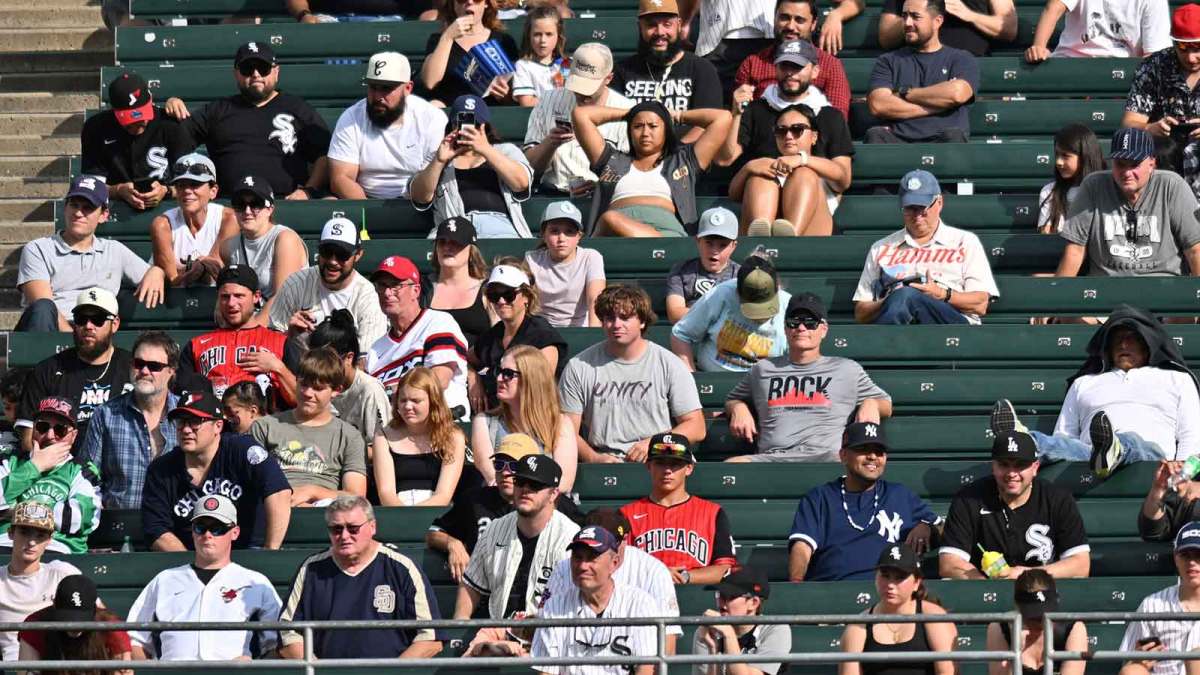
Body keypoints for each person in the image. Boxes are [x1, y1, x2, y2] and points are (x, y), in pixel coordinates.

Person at [993, 306, 1199, 479]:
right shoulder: (1083, 383)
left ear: (1148, 344)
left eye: (1131, 338)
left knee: (1131, 440)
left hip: (1151, 459)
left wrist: (1181, 476)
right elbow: (1064, 436)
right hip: (1090, 457)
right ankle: (1023, 439)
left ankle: (1115, 448)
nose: (1123, 344)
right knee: (1068, 446)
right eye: (1117, 340)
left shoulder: (1177, 379)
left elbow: (1192, 435)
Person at [726, 293, 892, 462]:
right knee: (730, 466)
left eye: (810, 322)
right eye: (794, 322)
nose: (801, 328)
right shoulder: (762, 369)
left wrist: (871, 403)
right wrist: (738, 407)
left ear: (823, 330)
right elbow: (732, 399)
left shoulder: (847, 369)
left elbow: (886, 404)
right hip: (772, 458)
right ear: (785, 328)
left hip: (828, 459)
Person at [278, 496, 445, 659]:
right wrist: (318, 671)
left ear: (372, 527)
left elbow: (429, 638)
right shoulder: (311, 569)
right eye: (336, 529)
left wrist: (392, 673)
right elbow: (288, 633)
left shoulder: (402, 567)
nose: (344, 536)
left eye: (353, 528)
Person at [163, 42, 332, 199]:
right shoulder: (218, 109)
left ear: (276, 71)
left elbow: (324, 155)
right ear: (236, 73)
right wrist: (171, 107)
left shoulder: (298, 109)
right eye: (247, 69)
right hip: (228, 207)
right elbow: (180, 133)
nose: (256, 74)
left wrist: (307, 191)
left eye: (263, 68)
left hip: (285, 203)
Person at [560, 285, 706, 463]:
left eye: (625, 318)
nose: (616, 325)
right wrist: (594, 458)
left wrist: (654, 444)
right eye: (609, 318)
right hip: (606, 459)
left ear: (642, 321)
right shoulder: (579, 367)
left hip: (660, 457)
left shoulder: (669, 364)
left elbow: (696, 427)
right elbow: (566, 430)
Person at [126, 495, 282, 661]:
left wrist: (252, 668)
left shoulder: (255, 582)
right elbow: (135, 639)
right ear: (193, 532)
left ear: (234, 532)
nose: (208, 535)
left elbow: (278, 643)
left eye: (217, 528)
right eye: (200, 528)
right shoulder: (165, 579)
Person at [141, 383, 292, 551]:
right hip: (190, 560)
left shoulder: (242, 450)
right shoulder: (161, 470)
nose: (186, 429)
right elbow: (157, 530)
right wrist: (193, 568)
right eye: (181, 422)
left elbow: (278, 492)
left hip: (248, 555)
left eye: (195, 422)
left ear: (218, 426)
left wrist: (270, 551)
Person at [787, 422, 940, 581]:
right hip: (832, 591)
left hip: (888, 592)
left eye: (879, 451)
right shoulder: (819, 498)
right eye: (863, 449)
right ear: (843, 455)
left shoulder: (900, 495)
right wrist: (797, 586)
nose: (872, 456)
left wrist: (928, 527)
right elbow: (802, 548)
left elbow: (944, 529)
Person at [16, 176, 165, 333]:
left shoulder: (114, 250)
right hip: (53, 330)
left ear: (103, 215)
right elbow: (40, 302)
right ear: (65, 208)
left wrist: (157, 271)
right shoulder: (38, 249)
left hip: (95, 330)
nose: (79, 213)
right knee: (43, 307)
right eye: (74, 205)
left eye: (88, 207)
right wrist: (73, 339)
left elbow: (155, 276)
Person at [427, 433, 583, 582]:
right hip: (483, 588)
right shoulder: (475, 500)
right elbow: (433, 533)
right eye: (499, 464)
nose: (505, 472)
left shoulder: (552, 502)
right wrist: (453, 544)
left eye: (514, 465)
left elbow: (586, 536)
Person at [938, 430, 1092, 580]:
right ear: (993, 466)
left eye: (1020, 465)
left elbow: (1080, 565)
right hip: (985, 593)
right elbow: (949, 564)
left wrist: (1025, 577)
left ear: (1035, 467)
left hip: (1043, 593)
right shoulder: (969, 499)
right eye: (1004, 464)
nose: (1012, 473)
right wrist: (989, 588)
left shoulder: (1057, 499)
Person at [852, 170, 1000, 325]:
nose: (917, 215)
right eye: (910, 208)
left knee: (907, 296)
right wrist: (889, 300)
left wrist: (942, 294)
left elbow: (981, 304)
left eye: (922, 207)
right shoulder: (881, 248)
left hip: (951, 324)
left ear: (939, 203)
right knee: (904, 296)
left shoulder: (964, 241)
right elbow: (861, 313)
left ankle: (886, 345)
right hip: (898, 314)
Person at [1055, 127, 1200, 278]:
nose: (1126, 173)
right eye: (1120, 164)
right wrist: (1057, 292)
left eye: (1134, 164)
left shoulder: (1172, 185)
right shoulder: (1093, 185)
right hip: (1105, 289)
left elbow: (1195, 249)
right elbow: (1075, 250)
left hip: (1162, 288)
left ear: (1151, 163)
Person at [576, 100, 731, 238]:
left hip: (666, 232)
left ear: (666, 130)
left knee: (609, 218)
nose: (645, 133)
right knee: (610, 219)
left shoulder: (682, 161)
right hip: (613, 233)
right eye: (637, 126)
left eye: (653, 126)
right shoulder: (612, 161)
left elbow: (723, 118)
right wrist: (629, 113)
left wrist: (678, 115)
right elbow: (580, 115)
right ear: (629, 131)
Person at [455, 454, 579, 619]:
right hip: (498, 632)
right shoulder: (494, 529)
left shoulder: (569, 536)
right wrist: (459, 624)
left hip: (549, 633)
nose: (525, 490)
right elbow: (471, 585)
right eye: (520, 482)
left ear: (554, 494)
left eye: (535, 485)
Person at [544, 508, 681, 654]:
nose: (608, 549)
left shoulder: (653, 571)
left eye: (613, 542)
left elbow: (667, 647)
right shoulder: (565, 568)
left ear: (625, 540)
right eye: (594, 546)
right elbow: (544, 630)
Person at [529, 524, 659, 675]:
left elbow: (646, 669)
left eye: (592, 557)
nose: (583, 566)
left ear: (614, 563)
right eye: (577, 557)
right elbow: (547, 672)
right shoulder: (554, 607)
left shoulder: (639, 604)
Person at [16, 288, 134, 448]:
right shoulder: (47, 370)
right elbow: (28, 438)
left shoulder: (134, 368)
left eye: (98, 319)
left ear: (115, 324)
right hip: (60, 466)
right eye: (81, 319)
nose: (88, 326)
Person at [250, 348, 368, 506]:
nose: (307, 393)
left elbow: (356, 497)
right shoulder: (264, 426)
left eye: (318, 388)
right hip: (273, 505)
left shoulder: (349, 436)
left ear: (336, 390)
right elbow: (250, 482)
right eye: (303, 384)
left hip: (324, 513)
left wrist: (311, 492)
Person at [411, 95, 535, 239]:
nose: (468, 129)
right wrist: (439, 161)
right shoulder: (438, 155)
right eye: (461, 122)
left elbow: (521, 183)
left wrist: (485, 149)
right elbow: (420, 197)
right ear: (452, 124)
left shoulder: (505, 150)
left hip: (498, 225)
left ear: (485, 126)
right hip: (453, 226)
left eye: (475, 123)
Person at [176, 264, 299, 410]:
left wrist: (278, 368)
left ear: (256, 297)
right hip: (215, 426)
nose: (231, 303)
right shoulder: (196, 345)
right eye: (225, 297)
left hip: (264, 426)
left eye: (239, 296)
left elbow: (299, 400)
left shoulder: (280, 342)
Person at [81, 330, 179, 510]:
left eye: (154, 366)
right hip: (117, 525)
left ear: (171, 371)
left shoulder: (185, 416)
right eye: (138, 363)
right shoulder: (106, 414)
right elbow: (87, 475)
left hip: (173, 526)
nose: (144, 371)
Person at [621, 433, 738, 585]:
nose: (667, 470)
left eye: (675, 463)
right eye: (660, 463)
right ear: (648, 466)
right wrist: (658, 574)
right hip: (644, 598)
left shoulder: (712, 513)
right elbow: (617, 567)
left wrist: (685, 576)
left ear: (689, 468)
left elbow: (725, 569)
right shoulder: (627, 514)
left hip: (695, 597)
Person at [329, 52, 447, 200]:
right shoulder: (352, 117)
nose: (378, 96)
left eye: (386, 88)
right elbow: (341, 178)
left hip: (419, 201)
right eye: (373, 87)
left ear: (408, 88)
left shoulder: (431, 118)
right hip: (364, 200)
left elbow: (430, 180)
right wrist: (369, 215)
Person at [522, 42, 636, 197]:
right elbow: (528, 169)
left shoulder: (627, 109)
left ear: (608, 78)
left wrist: (600, 186)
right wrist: (550, 143)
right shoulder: (549, 99)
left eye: (589, 86)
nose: (581, 93)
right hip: (551, 194)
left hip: (603, 198)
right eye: (578, 84)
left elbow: (634, 175)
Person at [367, 256, 471, 418]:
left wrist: (390, 391)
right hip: (396, 432)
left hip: (442, 424)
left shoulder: (438, 323)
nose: (387, 293)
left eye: (396, 285)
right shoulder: (375, 349)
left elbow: (439, 380)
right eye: (382, 285)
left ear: (416, 290)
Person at [727, 100, 851, 237]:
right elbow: (733, 195)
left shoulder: (821, 167)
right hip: (765, 238)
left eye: (797, 129)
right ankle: (761, 238)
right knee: (760, 177)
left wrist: (802, 159)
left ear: (814, 137)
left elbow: (842, 178)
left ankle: (789, 238)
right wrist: (748, 168)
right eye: (781, 130)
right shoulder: (768, 166)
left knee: (803, 173)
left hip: (813, 238)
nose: (788, 136)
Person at [867, 0, 980, 143]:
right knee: (875, 134)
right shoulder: (888, 61)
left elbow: (957, 94)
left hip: (943, 139)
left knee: (954, 136)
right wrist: (939, 105)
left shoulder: (961, 58)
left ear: (937, 21)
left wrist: (904, 93)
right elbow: (879, 105)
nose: (907, 23)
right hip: (898, 141)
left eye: (915, 16)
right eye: (904, 15)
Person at [268, 216, 387, 350]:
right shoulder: (296, 283)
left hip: (345, 368)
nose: (332, 261)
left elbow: (366, 359)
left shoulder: (367, 296)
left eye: (342, 254)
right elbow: (271, 339)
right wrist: (289, 335)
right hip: (298, 366)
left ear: (358, 254)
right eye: (327, 251)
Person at [611, 0, 723, 144]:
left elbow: (708, 125)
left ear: (679, 25)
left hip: (686, 158)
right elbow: (612, 123)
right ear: (639, 27)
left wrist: (677, 158)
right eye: (651, 25)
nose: (660, 32)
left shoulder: (701, 69)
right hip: (631, 156)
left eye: (667, 24)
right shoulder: (622, 70)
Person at [0, 397, 100, 554]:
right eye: (42, 427)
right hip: (7, 545)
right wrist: (34, 467)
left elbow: (80, 518)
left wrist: (12, 511)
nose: (50, 436)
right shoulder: (10, 462)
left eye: (60, 430)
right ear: (33, 429)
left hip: (57, 548)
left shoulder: (82, 470)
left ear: (73, 436)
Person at [471, 346, 578, 491]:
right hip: (500, 504)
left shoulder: (559, 423)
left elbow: (564, 481)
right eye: (499, 371)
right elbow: (492, 476)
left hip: (546, 506)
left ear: (530, 379)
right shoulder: (484, 421)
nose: (499, 379)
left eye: (508, 374)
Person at [840, 543, 957, 675]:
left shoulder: (935, 617)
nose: (890, 584)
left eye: (900, 577)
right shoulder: (858, 627)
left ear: (916, 583)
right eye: (885, 575)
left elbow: (947, 671)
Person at [82, 71, 191, 212]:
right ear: (114, 111)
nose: (137, 125)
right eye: (129, 122)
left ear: (151, 100)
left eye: (142, 117)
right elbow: (92, 185)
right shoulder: (96, 127)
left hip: (170, 209)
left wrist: (166, 190)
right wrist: (118, 190)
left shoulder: (169, 124)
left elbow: (194, 185)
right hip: (116, 210)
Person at [1123, 5, 1200, 197]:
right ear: (1173, 42)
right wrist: (1151, 128)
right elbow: (1129, 123)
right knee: (1158, 149)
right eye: (1183, 48)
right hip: (1166, 148)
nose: (1191, 58)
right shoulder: (1154, 67)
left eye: (1198, 48)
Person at [671, 254, 791, 372]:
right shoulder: (721, 294)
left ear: (777, 289)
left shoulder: (788, 306)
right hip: (713, 380)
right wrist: (691, 377)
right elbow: (681, 334)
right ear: (737, 292)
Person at [735, 0, 853, 117]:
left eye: (799, 20)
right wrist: (738, 107)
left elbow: (837, 121)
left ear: (813, 24)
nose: (791, 26)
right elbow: (741, 119)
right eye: (784, 18)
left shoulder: (830, 65)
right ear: (775, 19)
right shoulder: (753, 63)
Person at [473, 263, 566, 409]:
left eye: (509, 294)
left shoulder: (542, 336)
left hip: (532, 416)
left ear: (526, 297)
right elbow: (463, 360)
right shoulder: (494, 334)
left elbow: (541, 391)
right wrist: (473, 379)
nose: (501, 301)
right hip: (497, 415)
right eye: (494, 295)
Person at [218, 174, 309, 321]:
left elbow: (283, 297)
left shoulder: (284, 239)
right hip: (247, 323)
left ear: (269, 209)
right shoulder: (228, 247)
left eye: (256, 204)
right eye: (240, 205)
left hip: (287, 324)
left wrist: (253, 332)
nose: (247, 211)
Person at [372, 367, 466, 507]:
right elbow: (386, 493)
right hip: (397, 514)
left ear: (433, 401)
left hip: (438, 516)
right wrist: (407, 520)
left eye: (416, 401)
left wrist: (417, 518)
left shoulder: (453, 437)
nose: (408, 406)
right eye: (403, 400)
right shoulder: (383, 437)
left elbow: (444, 495)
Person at [0, 501, 81, 661]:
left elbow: (99, 616)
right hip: (12, 665)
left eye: (40, 536)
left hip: (57, 664)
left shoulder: (63, 574)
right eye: (24, 532)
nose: (31, 542)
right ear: (10, 533)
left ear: (50, 539)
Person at [1117, 521, 1200, 675]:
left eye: (1199, 555)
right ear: (1176, 558)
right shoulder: (1152, 605)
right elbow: (1126, 662)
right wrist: (1136, 660)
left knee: (1197, 659)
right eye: (1185, 555)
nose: (1192, 562)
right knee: (1131, 671)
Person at [149, 154, 238, 287]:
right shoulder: (162, 224)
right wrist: (195, 269)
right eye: (181, 185)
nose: (187, 191)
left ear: (213, 191)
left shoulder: (229, 219)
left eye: (195, 184)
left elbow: (214, 271)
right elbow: (172, 281)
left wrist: (190, 270)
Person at [17, 575, 132, 672]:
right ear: (54, 605)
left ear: (95, 609)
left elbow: (124, 672)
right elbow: (26, 672)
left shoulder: (111, 626)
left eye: (82, 618)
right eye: (67, 617)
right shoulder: (36, 624)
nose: (74, 625)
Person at [986, 569, 1088, 675]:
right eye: (1033, 617)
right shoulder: (1000, 628)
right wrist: (1015, 652)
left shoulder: (1072, 629)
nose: (1041, 622)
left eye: (1046, 615)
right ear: (1018, 607)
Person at [308, 311, 391, 442]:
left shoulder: (370, 391)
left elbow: (382, 448)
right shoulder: (313, 387)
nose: (319, 367)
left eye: (326, 360)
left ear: (349, 358)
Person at [692, 566, 790, 674]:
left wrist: (729, 634)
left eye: (730, 595)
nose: (721, 602)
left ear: (753, 603)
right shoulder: (709, 631)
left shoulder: (776, 629)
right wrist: (712, 649)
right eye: (719, 594)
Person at [419, 0, 519, 106]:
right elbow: (430, 82)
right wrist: (448, 37)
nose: (469, 1)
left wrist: (504, 96)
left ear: (486, 3)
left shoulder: (503, 41)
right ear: (453, 5)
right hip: (451, 111)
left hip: (488, 111)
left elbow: (515, 94)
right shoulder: (440, 40)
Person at [524, 202, 606, 328]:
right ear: (543, 235)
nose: (562, 238)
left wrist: (591, 337)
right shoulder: (531, 259)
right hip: (541, 331)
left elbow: (595, 300)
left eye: (569, 231)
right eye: (554, 231)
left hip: (580, 330)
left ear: (579, 236)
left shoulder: (591, 257)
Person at [1025, 0, 1170, 62]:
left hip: (1122, 73)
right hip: (1070, 63)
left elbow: (1154, 56)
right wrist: (1039, 47)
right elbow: (1054, 8)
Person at [427, 216, 495, 346]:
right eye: (442, 242)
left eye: (455, 243)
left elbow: (499, 334)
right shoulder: (423, 288)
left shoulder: (488, 290)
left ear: (471, 250)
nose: (447, 247)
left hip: (477, 362)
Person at [665, 208, 741, 322]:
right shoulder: (682, 271)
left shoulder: (741, 275)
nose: (714, 251)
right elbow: (675, 313)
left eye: (722, 245)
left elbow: (742, 315)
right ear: (698, 241)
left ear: (733, 246)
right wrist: (718, 314)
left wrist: (695, 312)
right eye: (709, 243)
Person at [879, 0, 1016, 56]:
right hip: (915, 64)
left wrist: (970, 15)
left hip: (968, 68)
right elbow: (885, 37)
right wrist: (916, 12)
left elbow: (1009, 28)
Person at [1038, 124, 1105, 234]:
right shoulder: (1050, 192)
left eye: (1065, 156)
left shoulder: (1107, 189)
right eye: (1057, 155)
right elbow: (1047, 236)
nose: (1058, 162)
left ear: (1085, 156)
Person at [513, 6, 568, 106]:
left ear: (558, 36)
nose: (543, 40)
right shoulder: (523, 66)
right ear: (529, 36)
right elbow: (527, 103)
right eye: (537, 34)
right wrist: (562, 101)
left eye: (549, 34)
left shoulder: (567, 64)